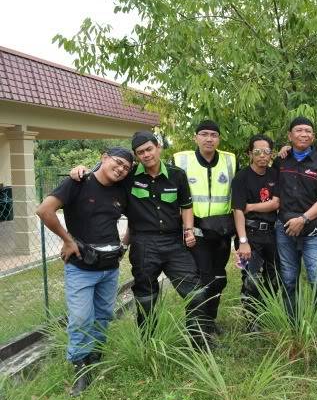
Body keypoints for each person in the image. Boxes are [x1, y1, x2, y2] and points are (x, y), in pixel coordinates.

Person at [71, 132, 212, 347]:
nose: (146, 155)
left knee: (195, 293)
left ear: (158, 147)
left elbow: (186, 206)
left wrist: (189, 230)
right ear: (136, 157)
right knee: (146, 297)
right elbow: (105, 174)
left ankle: (198, 341)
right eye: (140, 153)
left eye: (149, 149)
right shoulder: (129, 177)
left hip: (174, 243)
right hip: (144, 244)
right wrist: (81, 169)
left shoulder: (177, 175)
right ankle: (147, 343)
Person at [37, 147, 132, 396]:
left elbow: (136, 216)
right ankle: (80, 370)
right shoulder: (77, 182)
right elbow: (44, 210)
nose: (121, 169)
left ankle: (94, 359)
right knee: (80, 319)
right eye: (118, 162)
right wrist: (68, 241)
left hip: (110, 268)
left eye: (126, 167)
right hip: (81, 268)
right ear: (104, 157)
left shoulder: (123, 189)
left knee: (103, 316)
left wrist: (123, 244)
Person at [173, 120, 238, 335]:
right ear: (196, 137)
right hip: (196, 231)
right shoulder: (181, 159)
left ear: (219, 139)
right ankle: (197, 327)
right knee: (201, 279)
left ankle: (210, 321)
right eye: (204, 134)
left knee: (219, 279)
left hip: (222, 231)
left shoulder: (230, 160)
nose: (209, 138)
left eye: (214, 134)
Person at [272, 117, 317, 321]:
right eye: (299, 130)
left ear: (313, 136)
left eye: (308, 131)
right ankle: (293, 323)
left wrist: (303, 219)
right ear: (290, 136)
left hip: (312, 231)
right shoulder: (280, 160)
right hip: (284, 230)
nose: (304, 134)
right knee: (289, 279)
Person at [231, 134, 280, 331]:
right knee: (251, 279)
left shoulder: (275, 174)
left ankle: (266, 312)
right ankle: (252, 322)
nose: (262, 156)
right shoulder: (241, 177)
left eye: (266, 151)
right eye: (257, 152)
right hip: (249, 234)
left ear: (271, 154)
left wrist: (250, 206)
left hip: (272, 234)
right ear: (250, 153)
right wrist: (243, 241)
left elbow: (276, 203)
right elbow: (238, 211)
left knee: (275, 278)